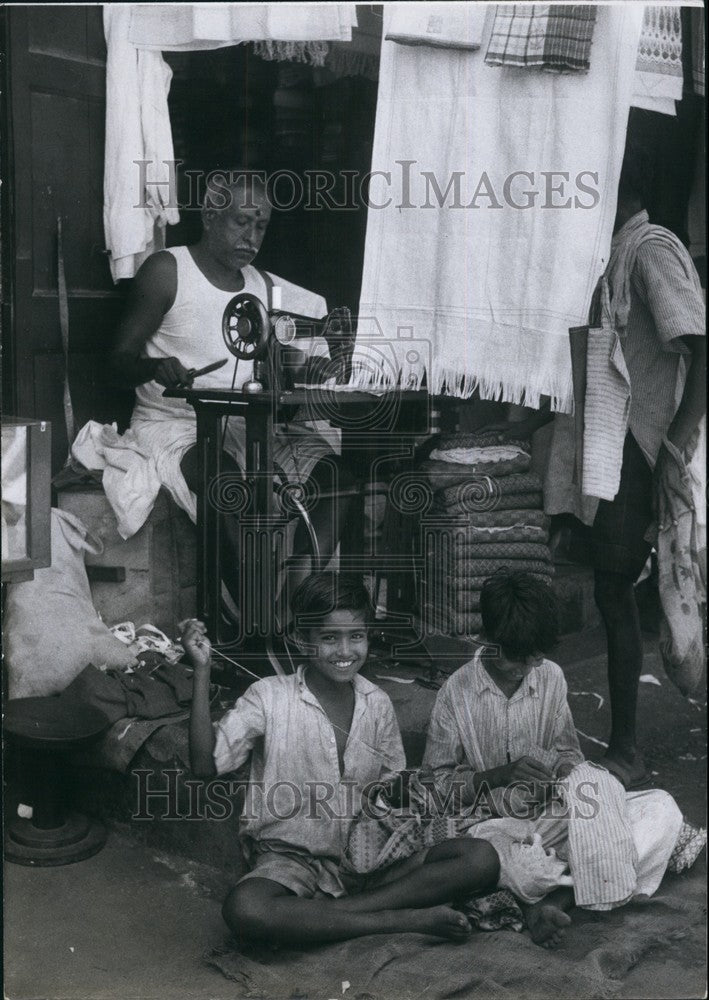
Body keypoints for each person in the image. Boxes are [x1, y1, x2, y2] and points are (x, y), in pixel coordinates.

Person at [480, 150, 706, 789]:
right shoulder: (609, 256)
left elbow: (701, 344)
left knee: (616, 587)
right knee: (615, 585)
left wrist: (675, 446)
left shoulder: (650, 250)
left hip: (645, 447)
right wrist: (525, 426)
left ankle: (628, 749)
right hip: (618, 448)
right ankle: (623, 742)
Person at [186, 572, 500, 947]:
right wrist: (202, 671)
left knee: (480, 858)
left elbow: (391, 792)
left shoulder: (377, 704)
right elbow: (204, 765)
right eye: (329, 638)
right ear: (302, 639)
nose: (345, 651)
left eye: (357, 636)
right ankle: (396, 919)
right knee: (245, 908)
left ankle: (337, 916)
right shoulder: (268, 696)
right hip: (290, 863)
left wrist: (411, 794)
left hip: (368, 861)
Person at [110, 171, 354, 617]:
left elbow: (275, 364)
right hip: (176, 426)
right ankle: (257, 622)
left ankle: (291, 610)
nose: (252, 236)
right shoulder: (168, 271)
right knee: (222, 479)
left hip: (248, 426)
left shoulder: (262, 286)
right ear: (209, 215)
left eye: (261, 226)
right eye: (242, 221)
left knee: (338, 478)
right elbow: (115, 363)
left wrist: (322, 369)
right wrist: (155, 367)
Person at [422, 571, 703, 948]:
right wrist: (499, 775)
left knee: (661, 809)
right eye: (518, 660)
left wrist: (568, 773)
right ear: (489, 640)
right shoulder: (455, 693)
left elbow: (568, 752)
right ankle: (563, 890)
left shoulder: (551, 677)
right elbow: (433, 788)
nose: (527, 670)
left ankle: (552, 898)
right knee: (512, 868)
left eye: (536, 660)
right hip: (496, 830)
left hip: (553, 818)